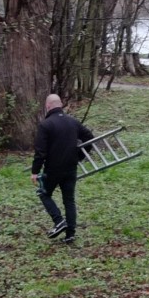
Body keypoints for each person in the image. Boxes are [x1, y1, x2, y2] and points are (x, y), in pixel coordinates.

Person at [31, 94, 94, 244]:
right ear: (60, 105)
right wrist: (79, 157)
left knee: (43, 193)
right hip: (71, 167)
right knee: (69, 200)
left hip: (53, 168)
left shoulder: (46, 125)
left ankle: (59, 221)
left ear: (47, 106)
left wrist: (35, 171)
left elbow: (40, 152)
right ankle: (70, 234)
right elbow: (89, 139)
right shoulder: (73, 122)